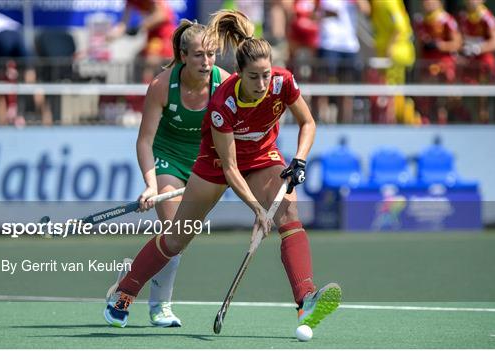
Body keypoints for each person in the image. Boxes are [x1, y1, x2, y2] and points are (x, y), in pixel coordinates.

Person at [104, 9, 341, 330]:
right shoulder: (223, 102)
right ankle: (125, 292)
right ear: (238, 74)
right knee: (177, 238)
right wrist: (257, 209)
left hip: (261, 157)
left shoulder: (283, 81)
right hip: (215, 163)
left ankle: (306, 301)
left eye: (266, 75)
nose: (261, 83)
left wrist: (298, 159)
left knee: (288, 214)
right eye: (254, 76)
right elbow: (230, 168)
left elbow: (307, 122)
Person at [104, 19, 229, 328]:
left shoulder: (225, 83)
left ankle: (133, 272)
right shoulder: (162, 85)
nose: (206, 61)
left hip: (204, 163)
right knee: (175, 232)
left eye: (211, 54)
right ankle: (155, 305)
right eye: (199, 54)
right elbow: (145, 140)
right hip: (168, 159)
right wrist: (150, 185)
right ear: (183, 56)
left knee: (181, 238)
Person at [414, 0, 462, 124]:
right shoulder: (421, 21)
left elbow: (457, 43)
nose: (427, 3)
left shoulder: (447, 20)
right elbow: (419, 47)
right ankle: (427, 122)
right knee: (426, 98)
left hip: (444, 65)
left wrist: (439, 45)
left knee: (444, 99)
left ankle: (446, 122)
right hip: (427, 65)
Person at [370, 0, 416, 124]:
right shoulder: (378, 3)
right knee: (389, 92)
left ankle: (398, 123)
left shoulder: (388, 2)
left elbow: (399, 26)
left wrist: (390, 48)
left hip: (396, 55)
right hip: (389, 55)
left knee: (394, 93)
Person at [457, 0, 495, 123]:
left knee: (482, 102)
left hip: (483, 65)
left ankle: (482, 129)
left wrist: (478, 48)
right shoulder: (463, 16)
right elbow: (460, 40)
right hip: (468, 65)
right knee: (460, 98)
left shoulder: (486, 17)